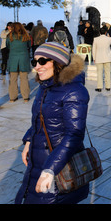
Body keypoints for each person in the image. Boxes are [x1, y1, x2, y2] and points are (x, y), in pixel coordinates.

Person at [15, 42, 90, 204]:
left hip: (58, 165)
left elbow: (75, 134)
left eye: (43, 61)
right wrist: (29, 140)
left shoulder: (75, 91)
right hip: (38, 159)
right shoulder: (45, 86)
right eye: (34, 62)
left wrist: (50, 170)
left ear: (58, 63)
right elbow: (40, 118)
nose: (37, 67)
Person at [7, 22, 32, 102]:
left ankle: (12, 97)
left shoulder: (9, 36)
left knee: (13, 79)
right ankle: (26, 97)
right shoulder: (26, 35)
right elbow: (29, 45)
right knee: (24, 78)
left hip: (13, 59)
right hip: (23, 59)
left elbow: (8, 46)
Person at [92, 27, 111, 92]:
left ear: (99, 32)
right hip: (107, 58)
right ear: (106, 32)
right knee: (107, 72)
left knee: (99, 73)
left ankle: (99, 87)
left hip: (99, 58)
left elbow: (94, 49)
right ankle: (108, 87)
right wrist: (109, 37)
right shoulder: (109, 39)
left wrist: (94, 58)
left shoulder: (96, 39)